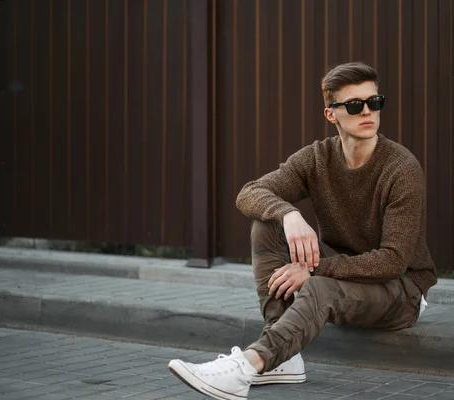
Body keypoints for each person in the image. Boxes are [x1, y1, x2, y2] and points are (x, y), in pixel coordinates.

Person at [168, 61, 437, 400]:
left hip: (401, 291)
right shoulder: (317, 158)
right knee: (267, 224)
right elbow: (249, 193)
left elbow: (393, 261)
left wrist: (312, 269)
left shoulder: (401, 168)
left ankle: (251, 364)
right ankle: (285, 356)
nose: (367, 112)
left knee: (321, 288)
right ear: (332, 115)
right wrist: (289, 214)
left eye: (375, 101)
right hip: (344, 272)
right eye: (355, 105)